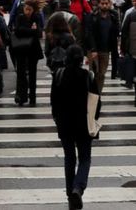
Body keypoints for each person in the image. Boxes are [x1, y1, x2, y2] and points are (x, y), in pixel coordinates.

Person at [51, 45, 99, 210]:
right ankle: (78, 188)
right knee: (85, 158)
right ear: (81, 60)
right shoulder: (88, 76)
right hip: (84, 124)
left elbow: (54, 102)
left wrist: (57, 120)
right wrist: (94, 120)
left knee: (69, 158)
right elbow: (96, 101)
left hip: (65, 124)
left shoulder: (59, 75)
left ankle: (70, 193)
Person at [11, 0, 44, 106]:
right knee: (21, 73)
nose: (27, 12)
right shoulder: (20, 17)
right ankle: (21, 96)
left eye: (30, 9)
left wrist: (32, 30)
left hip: (33, 49)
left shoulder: (37, 17)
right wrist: (31, 30)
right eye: (26, 9)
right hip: (21, 48)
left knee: (32, 74)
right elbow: (18, 31)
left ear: (33, 10)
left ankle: (32, 98)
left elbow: (39, 33)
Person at [85, 0, 120, 91]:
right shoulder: (92, 16)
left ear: (110, 4)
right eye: (102, 3)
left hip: (106, 49)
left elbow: (117, 32)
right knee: (93, 72)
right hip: (94, 49)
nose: (104, 5)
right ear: (98, 4)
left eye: (106, 3)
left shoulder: (113, 16)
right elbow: (89, 33)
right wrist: (93, 49)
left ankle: (98, 92)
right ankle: (92, 92)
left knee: (102, 73)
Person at [45, 7, 78, 72]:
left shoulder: (50, 36)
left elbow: (47, 51)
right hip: (66, 63)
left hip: (53, 62)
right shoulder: (70, 37)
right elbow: (73, 51)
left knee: (55, 78)